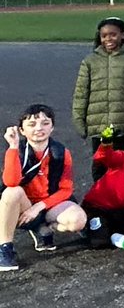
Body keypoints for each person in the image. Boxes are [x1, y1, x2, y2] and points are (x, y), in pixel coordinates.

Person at [1, 105, 87, 270]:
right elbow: (11, 182)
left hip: (48, 205)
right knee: (12, 192)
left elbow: (66, 189)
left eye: (45, 123)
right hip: (21, 206)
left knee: (78, 220)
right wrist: (12, 146)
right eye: (32, 124)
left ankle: (45, 229)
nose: (39, 128)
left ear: (52, 127)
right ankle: (5, 248)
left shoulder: (61, 153)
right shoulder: (16, 151)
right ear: (22, 130)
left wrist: (39, 207)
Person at [73, 17, 124, 181]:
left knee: (118, 165)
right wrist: (79, 120)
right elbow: (81, 92)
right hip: (97, 122)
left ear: (123, 34)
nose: (108, 39)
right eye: (104, 35)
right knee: (99, 164)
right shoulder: (90, 61)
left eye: (113, 35)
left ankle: (116, 201)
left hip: (121, 123)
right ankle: (98, 200)